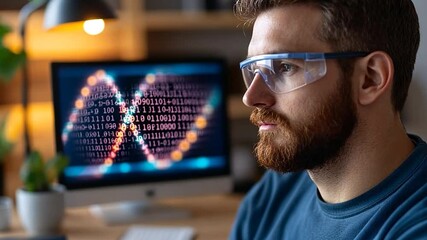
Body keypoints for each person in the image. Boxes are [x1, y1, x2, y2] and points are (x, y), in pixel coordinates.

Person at [230, 0, 426, 239]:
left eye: (284, 67)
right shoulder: (277, 193)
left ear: (370, 79)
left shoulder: (415, 226)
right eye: (254, 70)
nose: (251, 97)